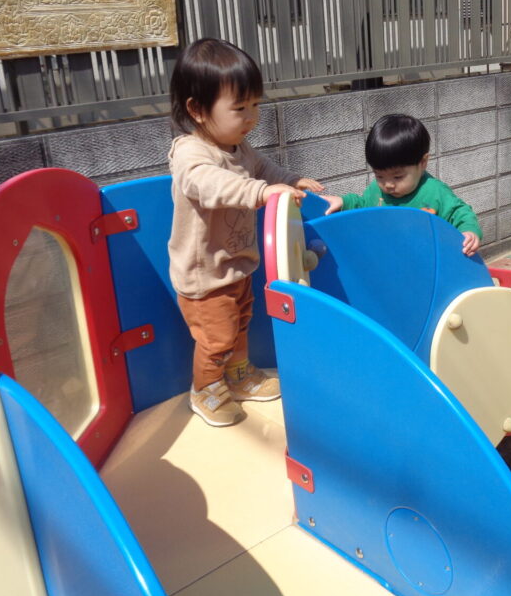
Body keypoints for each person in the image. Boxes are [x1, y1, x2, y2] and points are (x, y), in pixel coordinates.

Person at [168, 38, 324, 427]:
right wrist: (261, 192)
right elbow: (209, 185)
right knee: (217, 339)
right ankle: (204, 389)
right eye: (239, 108)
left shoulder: (240, 147)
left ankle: (238, 376)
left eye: (255, 105)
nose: (251, 116)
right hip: (205, 276)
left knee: (240, 326)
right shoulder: (191, 154)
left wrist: (291, 179)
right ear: (197, 110)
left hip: (237, 265)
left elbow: (265, 170)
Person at [323, 114, 482, 256]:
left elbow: (460, 212)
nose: (388, 185)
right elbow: (363, 205)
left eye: (397, 177)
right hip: (390, 259)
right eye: (379, 175)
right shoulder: (376, 190)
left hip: (426, 261)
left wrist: (469, 231)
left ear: (423, 163)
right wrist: (343, 202)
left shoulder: (434, 192)